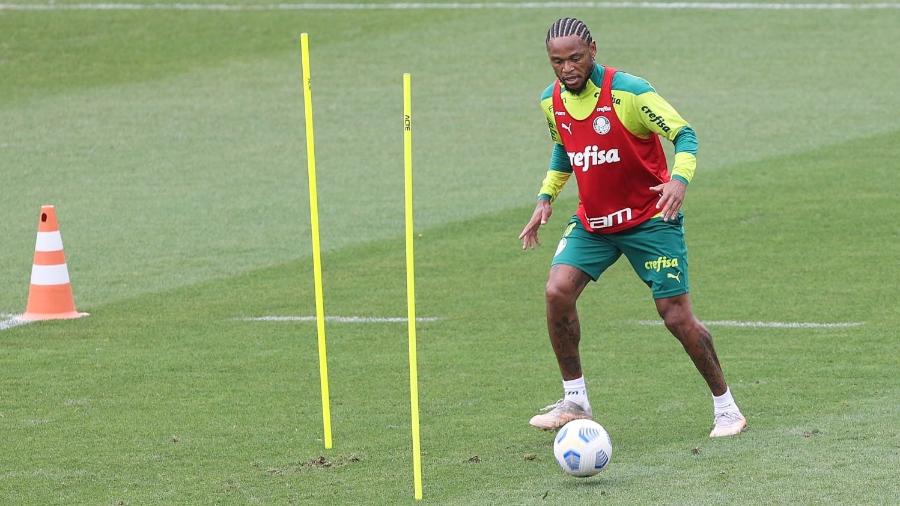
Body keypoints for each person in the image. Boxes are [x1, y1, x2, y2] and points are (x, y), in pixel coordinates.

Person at [519, 17, 746, 438]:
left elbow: (685, 134)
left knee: (676, 317)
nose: (566, 69)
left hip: (650, 220)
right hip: (594, 223)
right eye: (557, 62)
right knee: (557, 291)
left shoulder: (630, 92)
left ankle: (727, 408)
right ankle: (575, 400)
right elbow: (564, 148)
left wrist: (679, 180)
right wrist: (545, 197)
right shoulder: (551, 101)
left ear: (593, 51)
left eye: (575, 58)